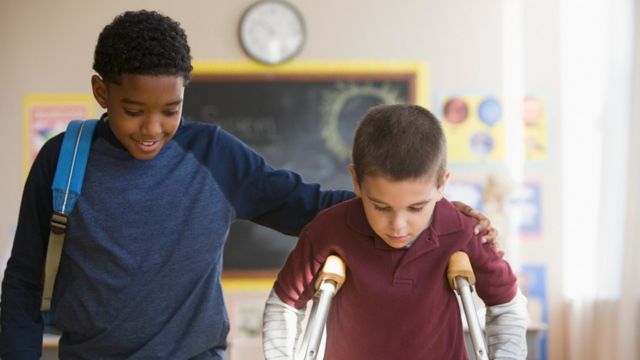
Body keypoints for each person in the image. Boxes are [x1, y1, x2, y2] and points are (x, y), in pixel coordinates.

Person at [0, 10, 496, 360]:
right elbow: (22, 280)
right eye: (134, 111)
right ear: (101, 91)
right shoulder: (63, 159)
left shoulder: (213, 155)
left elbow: (310, 207)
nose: (153, 128)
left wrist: (426, 212)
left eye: (170, 110)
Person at [262, 104, 528, 359]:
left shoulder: (463, 230)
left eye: (416, 208)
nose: (398, 225)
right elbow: (285, 305)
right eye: (380, 207)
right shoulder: (329, 229)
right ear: (356, 181)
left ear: (441, 184)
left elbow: (506, 306)